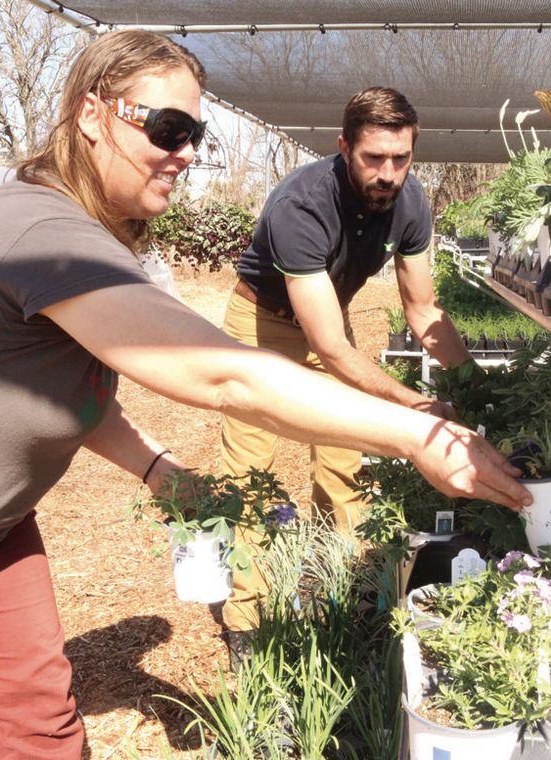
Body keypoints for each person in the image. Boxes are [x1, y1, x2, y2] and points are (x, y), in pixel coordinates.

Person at [0, 30, 530, 759]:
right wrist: (422, 435)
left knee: (41, 723)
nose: (185, 153)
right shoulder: (40, 233)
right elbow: (223, 374)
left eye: (194, 135)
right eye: (166, 129)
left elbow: (71, 394)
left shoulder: (91, 240)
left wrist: (159, 472)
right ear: (91, 115)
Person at [218, 86, 478, 635]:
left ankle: (348, 590)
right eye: (373, 158)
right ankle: (246, 617)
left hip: (329, 318)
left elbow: (423, 308)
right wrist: (415, 405)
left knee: (344, 464)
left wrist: (473, 383)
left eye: (401, 158)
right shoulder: (303, 204)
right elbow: (331, 349)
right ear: (343, 148)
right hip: (262, 325)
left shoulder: (410, 202)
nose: (388, 172)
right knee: (250, 470)